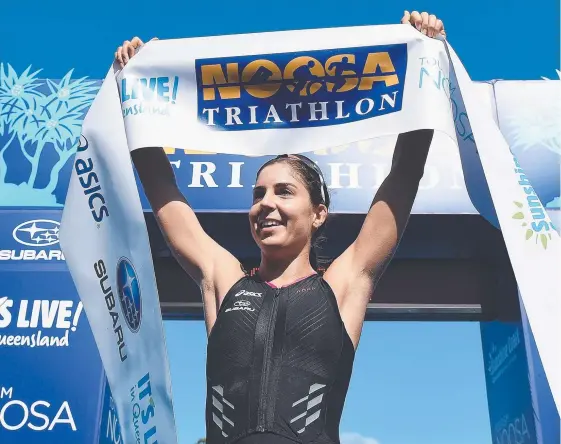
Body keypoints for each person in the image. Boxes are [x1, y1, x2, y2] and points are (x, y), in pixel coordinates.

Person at [116, 10, 446, 444]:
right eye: (258, 194)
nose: (265, 203)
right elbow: (164, 193)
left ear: (319, 213)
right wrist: (137, 95)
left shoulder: (345, 283)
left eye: (284, 192)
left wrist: (426, 61)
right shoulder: (224, 280)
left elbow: (403, 176)